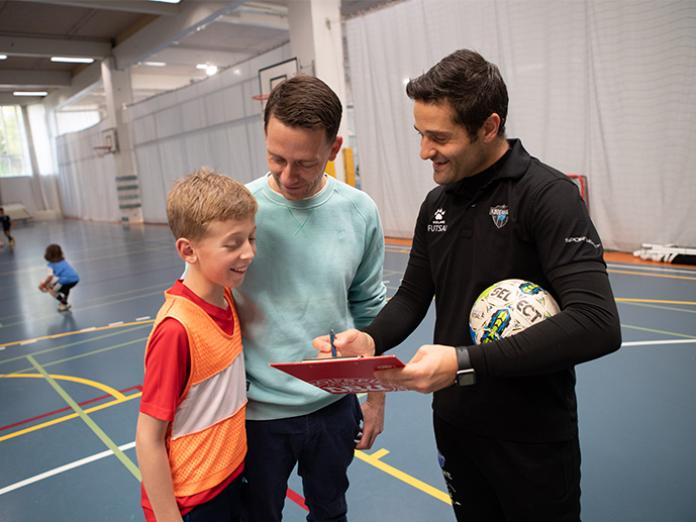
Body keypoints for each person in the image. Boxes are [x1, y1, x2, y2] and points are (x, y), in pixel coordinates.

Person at [314, 49, 622, 521]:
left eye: (439, 137)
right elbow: (414, 296)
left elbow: (597, 322)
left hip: (531, 433)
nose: (424, 152)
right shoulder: (437, 203)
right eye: (420, 134)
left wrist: (463, 362)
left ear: (488, 126)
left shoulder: (547, 195)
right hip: (456, 424)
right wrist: (370, 338)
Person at [234, 75, 387, 522]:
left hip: (334, 408)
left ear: (334, 149)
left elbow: (371, 311)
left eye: (304, 163)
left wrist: (375, 399)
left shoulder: (360, 211)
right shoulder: (239, 208)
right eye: (276, 158)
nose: (287, 175)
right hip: (256, 415)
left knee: (331, 512)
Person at [135, 168, 257, 522]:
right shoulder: (177, 330)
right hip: (193, 501)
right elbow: (148, 438)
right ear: (188, 250)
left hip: (231, 478)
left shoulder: (226, 297)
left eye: (251, 237)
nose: (248, 252)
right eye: (233, 243)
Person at [38, 244, 80, 312]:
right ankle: (64, 303)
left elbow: (50, 277)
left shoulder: (50, 265)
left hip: (64, 281)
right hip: (75, 279)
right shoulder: (63, 261)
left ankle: (64, 303)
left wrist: (43, 285)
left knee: (50, 289)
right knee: (64, 287)